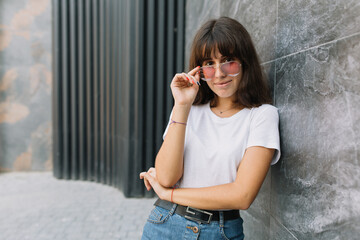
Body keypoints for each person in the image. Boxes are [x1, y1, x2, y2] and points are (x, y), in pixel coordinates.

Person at [140, 16, 280, 240]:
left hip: (220, 231)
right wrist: (182, 105)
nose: (219, 73)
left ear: (245, 62)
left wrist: (171, 194)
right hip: (165, 225)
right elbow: (166, 176)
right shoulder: (188, 110)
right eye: (209, 64)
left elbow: (242, 195)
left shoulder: (262, 116)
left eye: (228, 61)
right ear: (199, 69)